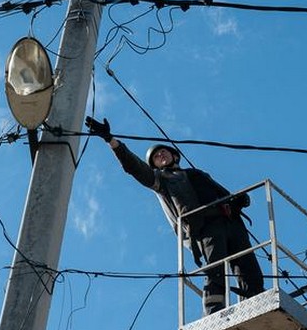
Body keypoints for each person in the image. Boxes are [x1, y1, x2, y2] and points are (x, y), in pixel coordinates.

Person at [85, 116, 264, 315]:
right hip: (206, 227)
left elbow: (222, 193)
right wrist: (111, 140)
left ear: (175, 156)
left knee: (248, 266)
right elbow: (133, 166)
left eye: (163, 151)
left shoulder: (197, 174)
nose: (161, 155)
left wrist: (238, 201)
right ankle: (214, 311)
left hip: (231, 221)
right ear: (154, 165)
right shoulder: (161, 180)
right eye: (156, 156)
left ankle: (256, 300)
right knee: (215, 270)